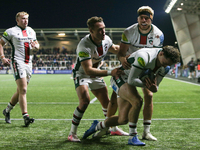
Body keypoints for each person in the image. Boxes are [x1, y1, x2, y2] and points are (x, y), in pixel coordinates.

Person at [83, 45, 180, 146]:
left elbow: (156, 86)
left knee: (123, 119)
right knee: (137, 101)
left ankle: (97, 126)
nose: (163, 66)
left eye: (167, 65)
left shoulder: (166, 66)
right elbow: (131, 80)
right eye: (163, 63)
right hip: (120, 77)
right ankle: (132, 137)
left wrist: (154, 88)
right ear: (161, 54)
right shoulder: (144, 57)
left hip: (129, 81)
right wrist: (146, 85)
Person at [106, 5, 164, 140]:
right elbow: (121, 53)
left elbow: (157, 55)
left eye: (146, 18)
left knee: (149, 94)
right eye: (141, 18)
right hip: (129, 67)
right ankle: (111, 127)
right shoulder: (128, 32)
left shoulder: (158, 34)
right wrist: (122, 59)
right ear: (138, 18)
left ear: (151, 19)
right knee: (114, 97)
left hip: (147, 67)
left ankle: (146, 131)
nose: (144, 21)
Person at [67, 16, 123, 142]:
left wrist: (130, 49)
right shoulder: (84, 45)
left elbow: (115, 49)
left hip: (96, 73)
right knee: (85, 101)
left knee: (107, 103)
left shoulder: (106, 39)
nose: (103, 32)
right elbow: (88, 70)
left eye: (103, 28)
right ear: (91, 31)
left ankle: (113, 128)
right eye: (99, 30)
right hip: (82, 74)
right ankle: (72, 134)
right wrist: (110, 72)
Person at [0, 11, 39, 127]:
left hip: (29, 63)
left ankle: (6, 111)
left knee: (20, 91)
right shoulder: (10, 31)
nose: (25, 21)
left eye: (27, 18)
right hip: (18, 62)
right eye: (23, 19)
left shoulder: (31, 31)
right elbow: (0, 44)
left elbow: (37, 45)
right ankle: (25, 116)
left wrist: (36, 47)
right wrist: (2, 57)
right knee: (23, 90)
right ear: (17, 20)